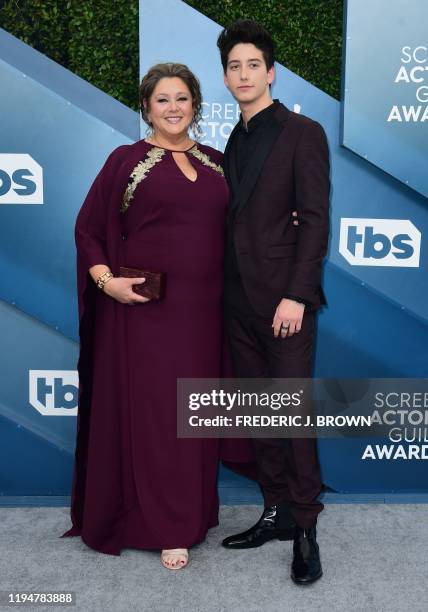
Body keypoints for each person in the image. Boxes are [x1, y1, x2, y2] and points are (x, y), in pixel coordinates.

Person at [60, 62, 256, 570]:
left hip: (207, 315)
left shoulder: (216, 161)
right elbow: (88, 230)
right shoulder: (127, 161)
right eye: (162, 99)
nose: (173, 108)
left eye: (182, 98)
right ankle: (167, 526)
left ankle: (192, 512)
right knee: (160, 418)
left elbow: (244, 222)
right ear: (146, 107)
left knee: (197, 415)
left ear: (196, 105)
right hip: (148, 313)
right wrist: (108, 282)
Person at [217, 20, 330, 585]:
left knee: (292, 418)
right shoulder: (232, 139)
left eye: (252, 65)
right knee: (260, 416)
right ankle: (277, 510)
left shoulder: (301, 132)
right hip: (235, 302)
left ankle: (306, 528)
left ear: (271, 71)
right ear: (225, 75)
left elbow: (313, 221)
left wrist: (296, 296)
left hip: (284, 305)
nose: (243, 74)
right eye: (233, 66)